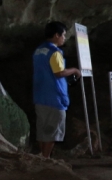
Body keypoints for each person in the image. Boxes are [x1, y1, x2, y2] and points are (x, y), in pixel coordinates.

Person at [32, 21, 82, 159]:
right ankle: (46, 159)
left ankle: (41, 159)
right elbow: (59, 73)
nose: (64, 38)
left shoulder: (38, 50)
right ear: (56, 35)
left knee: (42, 130)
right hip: (54, 97)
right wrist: (75, 70)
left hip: (40, 96)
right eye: (63, 35)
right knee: (52, 131)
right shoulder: (55, 52)